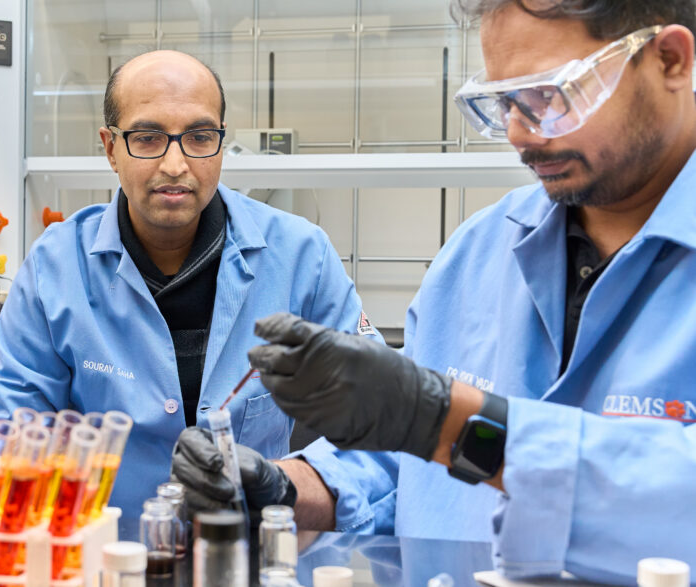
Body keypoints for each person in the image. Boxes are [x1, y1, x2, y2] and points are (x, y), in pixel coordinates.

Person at [172, 0, 696, 583]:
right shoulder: (478, 254)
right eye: (504, 102)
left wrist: (445, 420)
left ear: (670, 60)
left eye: (551, 93)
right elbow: (413, 463)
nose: (521, 132)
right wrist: (290, 489)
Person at [0, 50, 378, 532]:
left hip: (251, 560)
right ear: (110, 148)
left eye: (199, 138)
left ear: (221, 143)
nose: (175, 163)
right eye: (147, 138)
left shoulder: (300, 258)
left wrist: (286, 484)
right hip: (104, 561)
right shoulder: (55, 269)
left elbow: (375, 420)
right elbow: (9, 436)